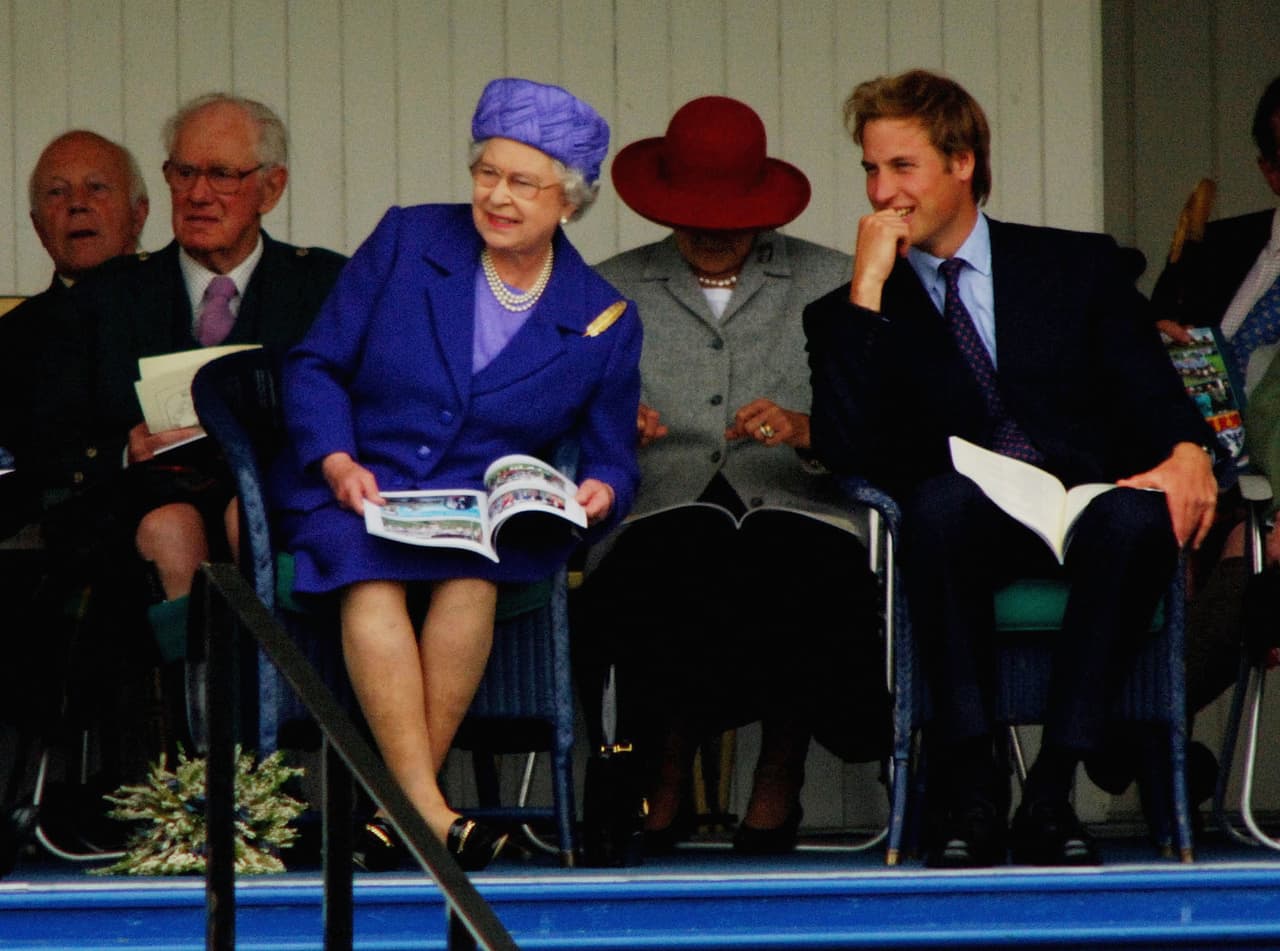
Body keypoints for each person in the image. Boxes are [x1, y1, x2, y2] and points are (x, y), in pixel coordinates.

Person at [803, 69, 1217, 868]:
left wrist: (1189, 450)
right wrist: (866, 289)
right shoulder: (852, 308)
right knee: (943, 505)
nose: (881, 191)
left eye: (902, 167)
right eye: (870, 169)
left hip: (1088, 500)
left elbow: (1152, 391)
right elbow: (846, 449)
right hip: (963, 519)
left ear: (962, 161)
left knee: (1136, 520)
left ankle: (1055, 787)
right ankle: (972, 785)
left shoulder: (1077, 266)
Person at [269, 77, 642, 871]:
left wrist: (602, 489)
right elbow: (315, 364)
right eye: (486, 173)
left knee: (472, 577)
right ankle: (430, 811)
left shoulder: (602, 313)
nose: (497, 196)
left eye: (522, 182)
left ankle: (392, 811)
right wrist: (337, 460)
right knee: (369, 574)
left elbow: (612, 454)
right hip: (360, 490)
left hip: (476, 519)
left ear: (569, 202)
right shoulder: (409, 239)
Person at [574, 96, 885, 856]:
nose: (712, 233)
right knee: (676, 554)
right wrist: (610, 426)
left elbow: (882, 428)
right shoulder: (607, 289)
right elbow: (557, 415)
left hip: (797, 505)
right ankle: (665, 771)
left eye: (731, 218)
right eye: (693, 216)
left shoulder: (838, 278)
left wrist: (812, 430)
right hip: (661, 505)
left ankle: (779, 773)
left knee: (793, 560)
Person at [69, 93, 346, 652]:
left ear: (271, 187)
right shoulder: (111, 296)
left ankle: (280, 712)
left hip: (279, 503)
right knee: (169, 528)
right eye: (184, 171)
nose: (198, 194)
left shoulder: (324, 287)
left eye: (222, 174)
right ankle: (198, 725)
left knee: (252, 517)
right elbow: (62, 435)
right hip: (141, 522)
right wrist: (124, 451)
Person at [1134, 73, 1280, 791]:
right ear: (1270, 170)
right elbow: (1138, 365)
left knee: (1242, 572)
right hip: (1193, 481)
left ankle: (1127, 734)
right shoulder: (1217, 249)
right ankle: (1143, 746)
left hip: (1266, 514)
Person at [0, 131, 149, 536]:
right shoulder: (9, 339)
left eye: (97, 188)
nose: (78, 204)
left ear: (139, 213)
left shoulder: (179, 309)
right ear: (37, 226)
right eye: (56, 193)